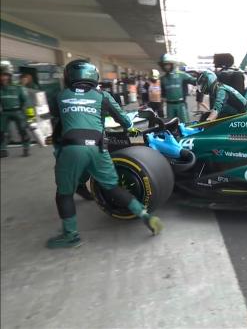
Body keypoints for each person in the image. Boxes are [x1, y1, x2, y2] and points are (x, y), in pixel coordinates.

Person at [48, 60, 163, 248]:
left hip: (72, 148)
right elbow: (125, 121)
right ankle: (145, 216)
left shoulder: (60, 96)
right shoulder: (103, 96)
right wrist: (126, 126)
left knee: (64, 194)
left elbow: (58, 123)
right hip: (98, 148)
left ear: (69, 77)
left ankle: (71, 235)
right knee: (112, 187)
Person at [1, 61, 31, 158]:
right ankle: (2, 149)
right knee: (1, 131)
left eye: (5, 75)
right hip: (4, 112)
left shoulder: (18, 87)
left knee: (22, 130)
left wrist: (28, 116)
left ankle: (26, 148)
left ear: (9, 76)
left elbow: (25, 101)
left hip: (18, 111)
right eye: (1, 75)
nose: (3, 78)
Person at [158, 54, 196, 122]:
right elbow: (163, 94)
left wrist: (203, 77)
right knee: (170, 125)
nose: (166, 66)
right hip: (169, 106)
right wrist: (160, 107)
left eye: (168, 64)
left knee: (185, 124)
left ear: (172, 64)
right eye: (164, 65)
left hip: (181, 105)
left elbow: (195, 81)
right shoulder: (162, 79)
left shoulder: (182, 75)